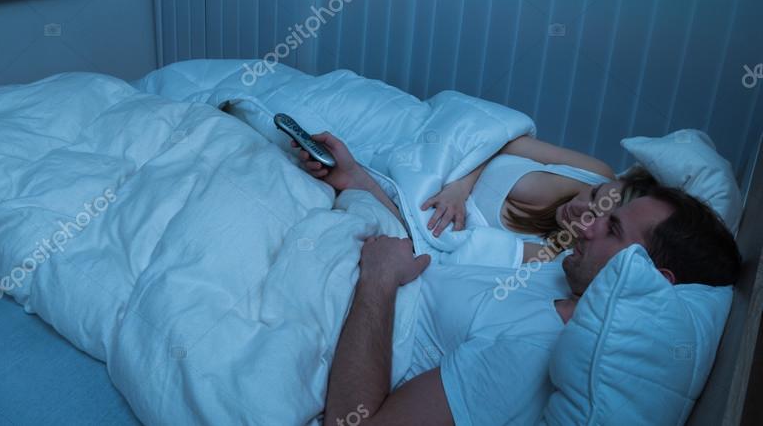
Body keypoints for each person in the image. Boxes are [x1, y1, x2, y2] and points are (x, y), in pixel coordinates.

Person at [307, 142, 741, 425]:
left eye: (611, 231)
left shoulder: (529, 356)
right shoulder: (566, 273)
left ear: (648, 279)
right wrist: (357, 181)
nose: (587, 226)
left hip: (340, 313)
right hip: (366, 259)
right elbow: (435, 253)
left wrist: (378, 281)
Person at [295, 132, 651, 260]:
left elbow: (438, 240)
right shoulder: (599, 172)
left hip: (415, 190)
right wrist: (459, 188)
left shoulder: (549, 254)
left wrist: (356, 177)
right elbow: (508, 139)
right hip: (443, 151)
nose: (582, 209)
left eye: (599, 217)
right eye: (596, 196)